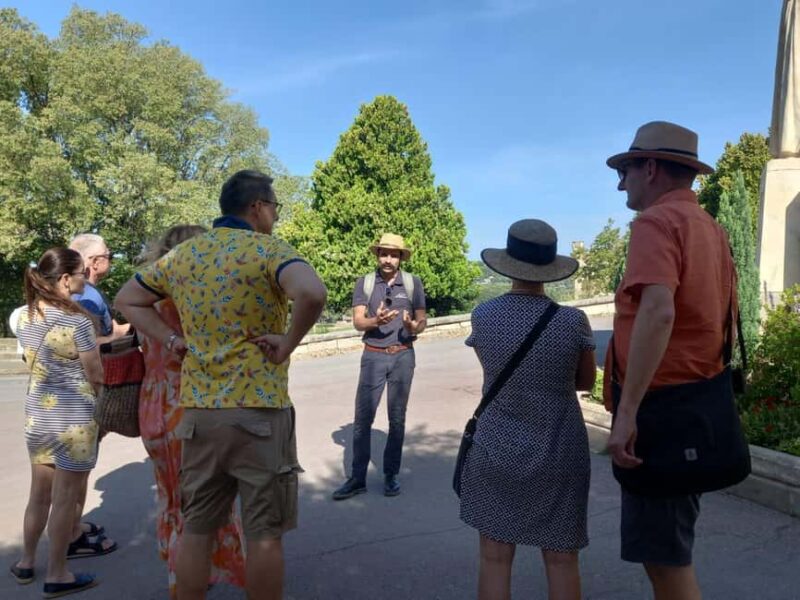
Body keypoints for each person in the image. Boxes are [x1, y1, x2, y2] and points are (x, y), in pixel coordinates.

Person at [115, 169, 327, 600]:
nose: (274, 216)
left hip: (199, 414)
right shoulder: (268, 251)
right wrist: (286, 344)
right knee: (264, 532)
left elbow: (125, 300)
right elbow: (312, 292)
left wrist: (173, 340)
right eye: (274, 207)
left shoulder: (183, 256)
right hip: (259, 412)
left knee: (196, 527)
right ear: (258, 207)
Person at [604, 121, 734, 600]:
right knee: (669, 551)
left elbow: (657, 312)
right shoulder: (710, 229)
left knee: (665, 561)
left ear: (651, 167)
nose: (622, 183)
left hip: (662, 413)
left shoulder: (656, 223)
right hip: (695, 405)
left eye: (626, 170)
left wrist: (628, 412)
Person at [457, 220, 596, 600]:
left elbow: (494, 370)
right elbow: (584, 383)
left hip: (496, 448)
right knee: (561, 559)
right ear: (549, 270)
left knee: (495, 557)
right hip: (559, 450)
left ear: (507, 264)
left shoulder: (483, 316)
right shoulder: (572, 321)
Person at [138, 225, 246, 598]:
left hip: (153, 407)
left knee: (171, 498)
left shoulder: (145, 299)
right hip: (191, 406)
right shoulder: (195, 298)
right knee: (204, 503)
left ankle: (185, 573)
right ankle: (189, 582)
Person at [10, 247, 106, 597]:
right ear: (66, 279)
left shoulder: (26, 317)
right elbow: (94, 373)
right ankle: (58, 573)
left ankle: (26, 562)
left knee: (39, 495)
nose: (85, 277)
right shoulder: (77, 321)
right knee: (66, 499)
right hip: (75, 419)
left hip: (38, 415)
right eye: (81, 272)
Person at [332, 233, 427, 500]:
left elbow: (422, 320)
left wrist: (413, 327)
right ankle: (357, 478)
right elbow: (358, 322)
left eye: (393, 254)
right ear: (377, 255)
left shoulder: (412, 283)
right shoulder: (365, 283)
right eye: (383, 253)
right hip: (373, 356)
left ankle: (390, 475)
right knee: (363, 419)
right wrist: (376, 321)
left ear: (400, 258)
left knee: (397, 419)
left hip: (403, 356)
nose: (387, 259)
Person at [67, 232, 121, 557]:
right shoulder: (82, 296)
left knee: (79, 467)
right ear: (91, 261)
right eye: (108, 253)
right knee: (77, 469)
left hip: (78, 393)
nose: (110, 259)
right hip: (84, 391)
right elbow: (82, 342)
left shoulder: (88, 292)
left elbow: (105, 330)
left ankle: (74, 525)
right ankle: (72, 534)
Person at [69, 233, 129, 345]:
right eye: (108, 256)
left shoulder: (77, 291)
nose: (111, 260)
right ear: (95, 262)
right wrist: (116, 336)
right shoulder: (87, 296)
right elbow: (83, 345)